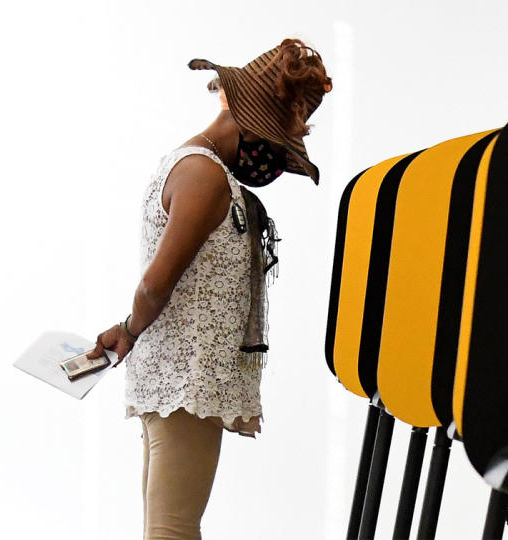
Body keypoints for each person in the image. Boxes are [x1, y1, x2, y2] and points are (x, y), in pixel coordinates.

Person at [87, 38, 332, 540]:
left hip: (180, 378)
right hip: (187, 382)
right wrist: (130, 327)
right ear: (237, 110)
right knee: (173, 531)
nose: (273, 159)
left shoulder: (203, 169)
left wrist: (130, 328)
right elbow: (156, 286)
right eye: (272, 139)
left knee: (166, 528)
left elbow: (172, 284)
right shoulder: (204, 175)